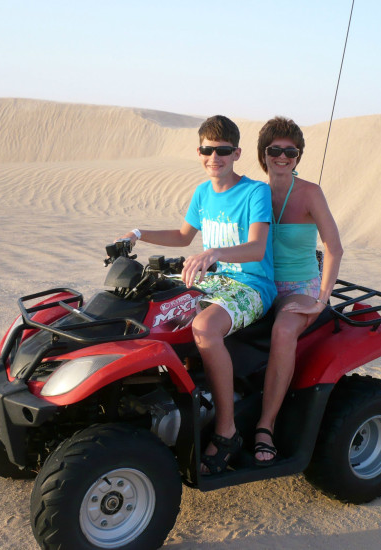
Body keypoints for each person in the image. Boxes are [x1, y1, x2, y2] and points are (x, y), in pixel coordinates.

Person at [118, 115, 276, 474]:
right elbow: (182, 235)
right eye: (207, 150)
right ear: (199, 152)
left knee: (204, 327)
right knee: (152, 305)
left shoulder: (255, 192)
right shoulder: (203, 192)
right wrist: (138, 234)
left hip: (251, 284)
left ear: (236, 153)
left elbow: (256, 248)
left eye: (222, 151)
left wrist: (215, 253)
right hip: (214, 280)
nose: (214, 158)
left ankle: (227, 430)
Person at [253, 116, 343, 466]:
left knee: (283, 329)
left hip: (299, 286)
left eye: (291, 151)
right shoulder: (255, 193)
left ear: (298, 156)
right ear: (263, 153)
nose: (282, 156)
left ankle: (266, 425)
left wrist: (321, 300)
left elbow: (334, 248)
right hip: (259, 283)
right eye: (275, 149)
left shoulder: (309, 193)